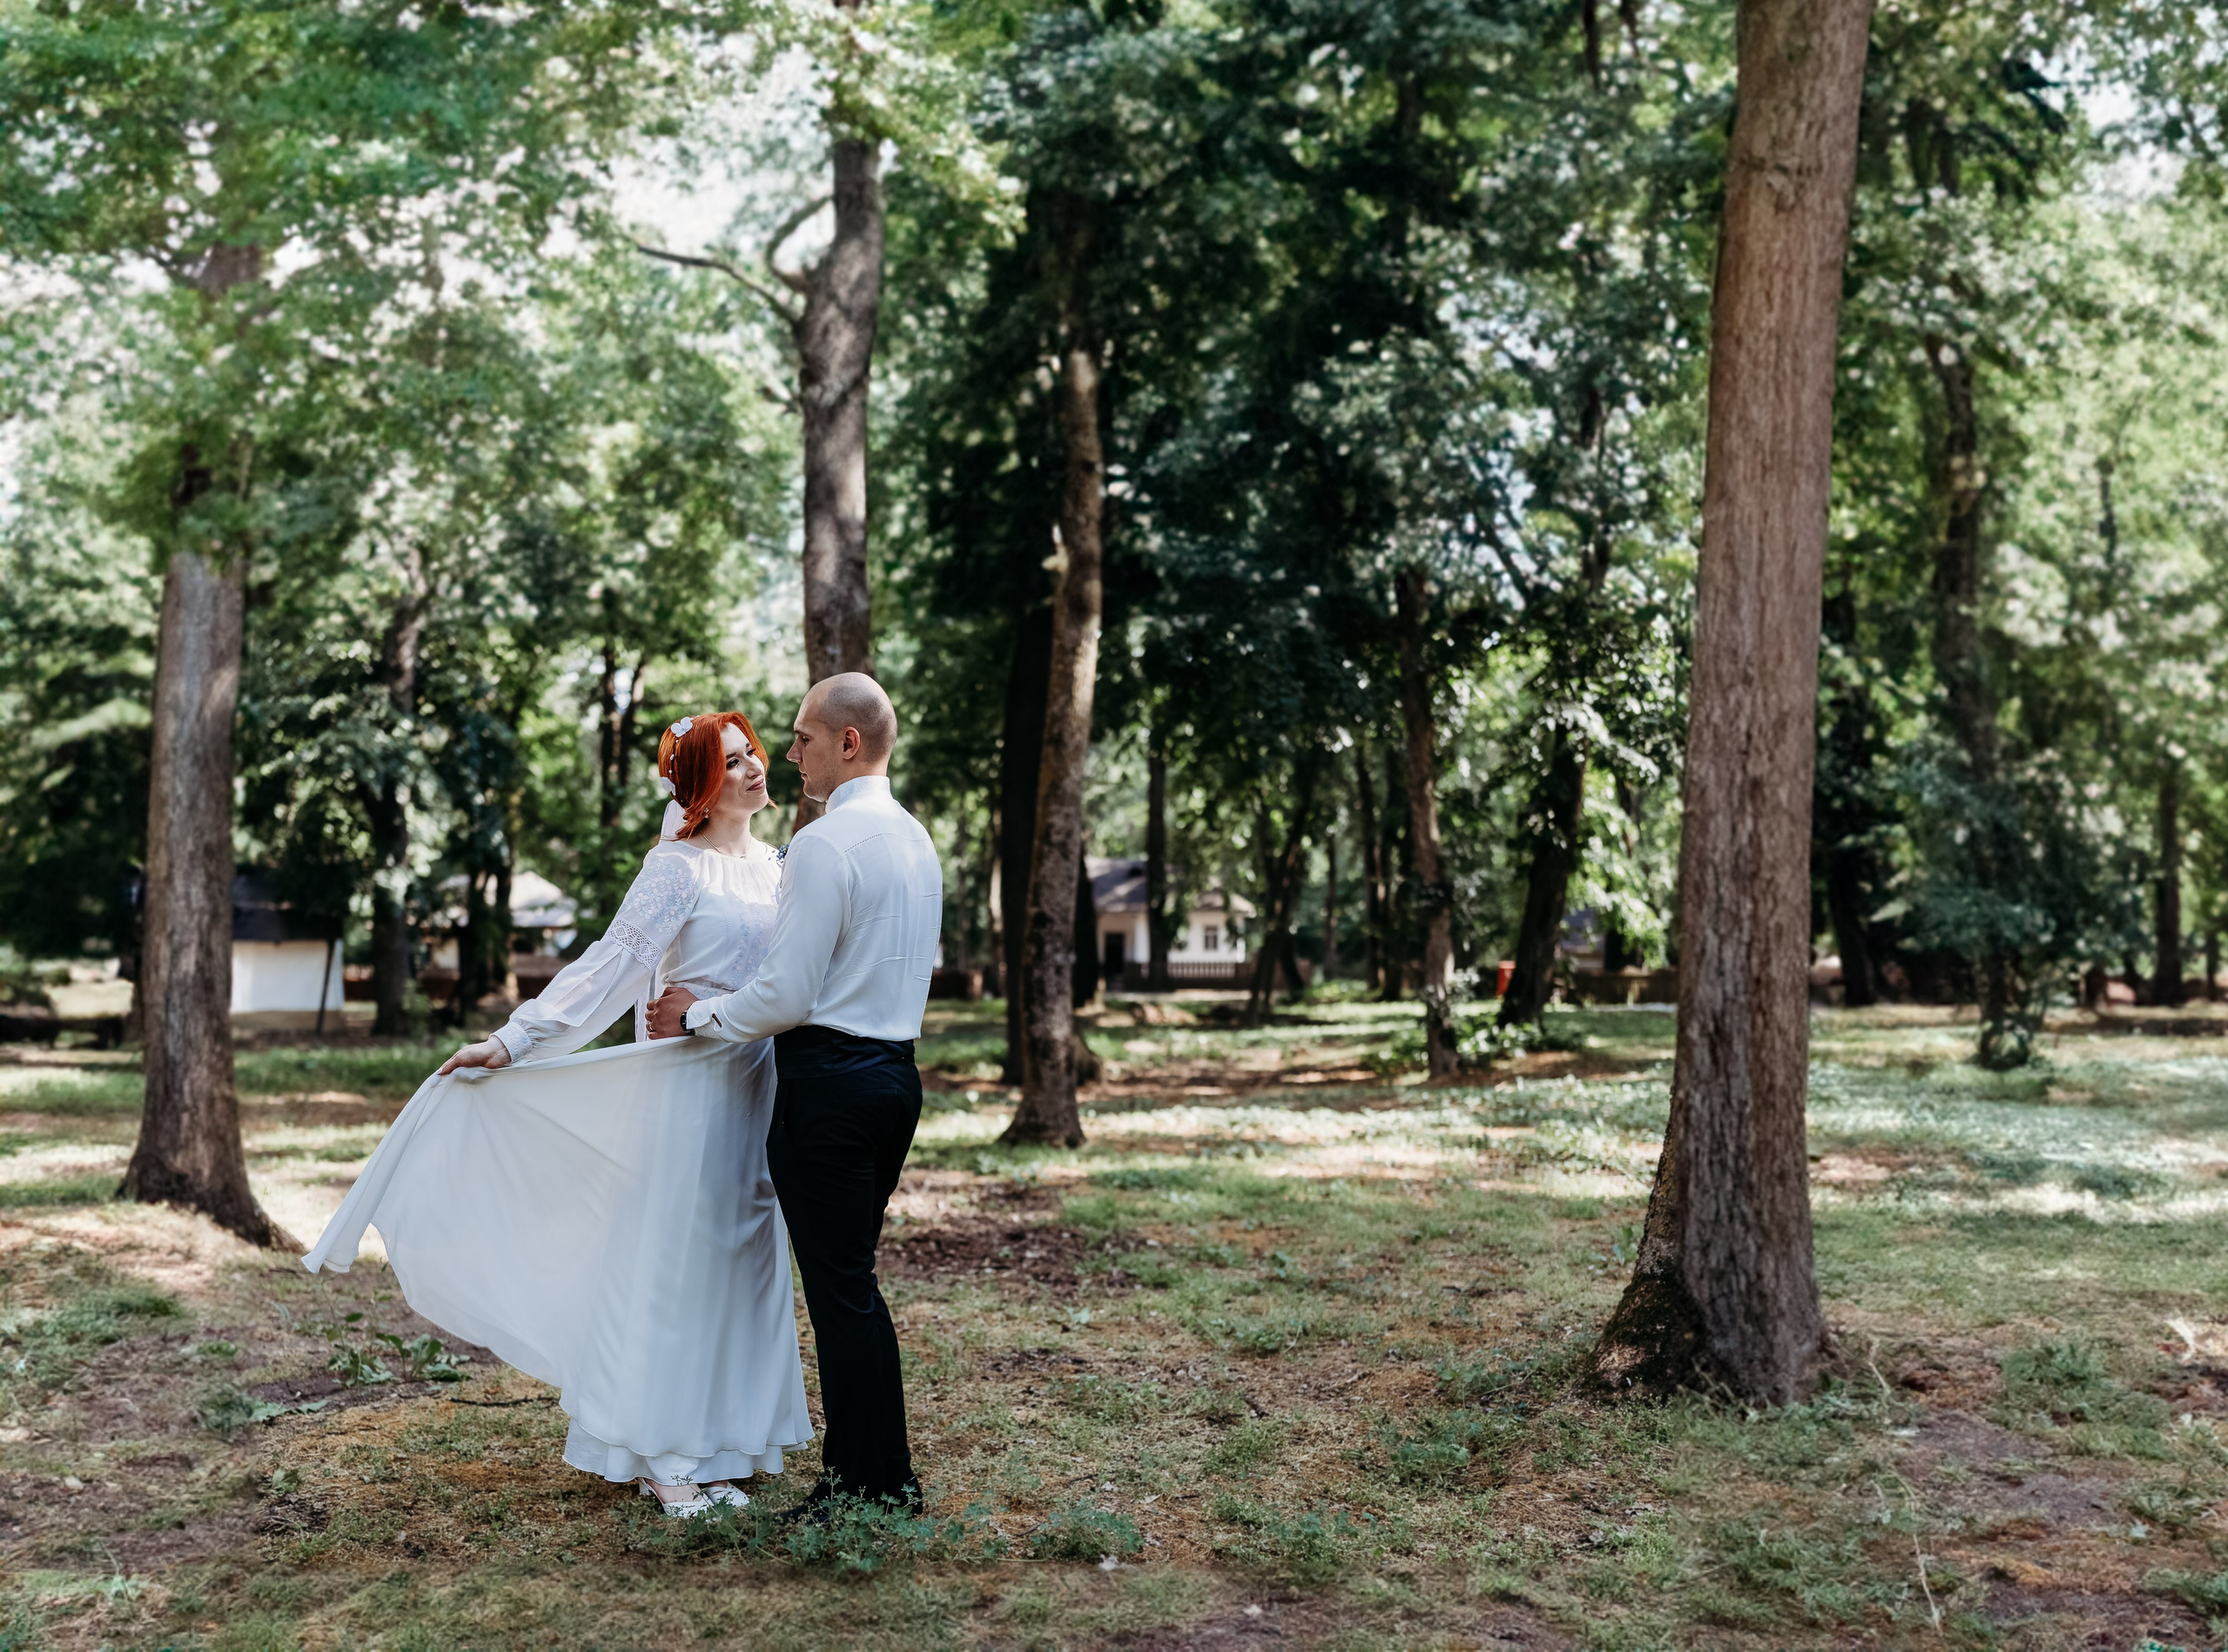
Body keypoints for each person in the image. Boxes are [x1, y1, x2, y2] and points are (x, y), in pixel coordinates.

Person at [302, 712, 810, 1518]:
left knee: (741, 1259)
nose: (755, 770)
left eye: (755, 756)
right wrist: (514, 1041)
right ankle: (660, 1454)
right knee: (673, 1263)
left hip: (762, 1084)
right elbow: (608, 968)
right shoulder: (677, 871)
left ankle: (723, 1442)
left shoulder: (785, 867)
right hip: (688, 1090)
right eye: (734, 762)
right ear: (700, 788)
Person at [647, 672, 941, 1516]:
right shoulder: (917, 838)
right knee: (855, 1284)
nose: (791, 752)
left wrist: (695, 1011)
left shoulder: (822, 843)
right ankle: (882, 1475)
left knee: (842, 1293)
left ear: (848, 742)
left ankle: (866, 1486)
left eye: (804, 736)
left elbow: (784, 996)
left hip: (830, 1089)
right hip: (895, 1078)